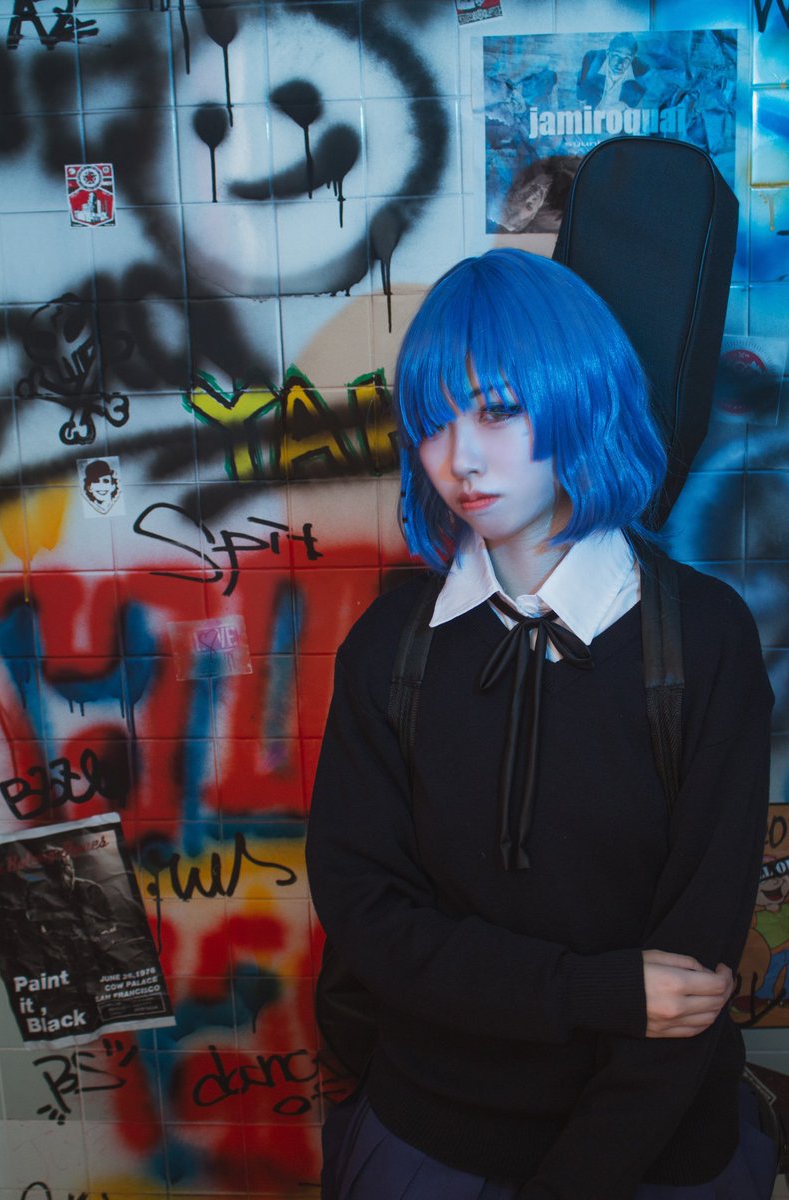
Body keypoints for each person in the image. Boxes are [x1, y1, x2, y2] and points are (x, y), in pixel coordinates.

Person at [305, 248, 775, 1200]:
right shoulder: (391, 648)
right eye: (433, 423)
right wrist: (588, 990)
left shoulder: (703, 639)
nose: (460, 460)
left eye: (498, 411)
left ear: (581, 400)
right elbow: (369, 919)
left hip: (657, 1147)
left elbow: (692, 980)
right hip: (428, 1132)